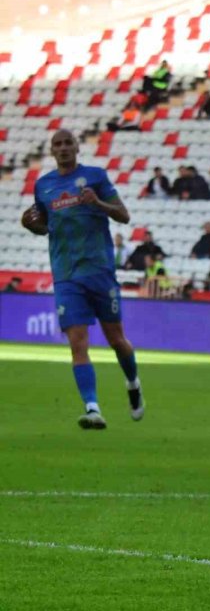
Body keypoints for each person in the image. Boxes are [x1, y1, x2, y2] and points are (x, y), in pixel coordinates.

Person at [20, 129, 145, 429]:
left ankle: (133, 383)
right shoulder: (44, 186)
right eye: (57, 144)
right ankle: (92, 408)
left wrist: (98, 204)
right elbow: (47, 228)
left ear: (77, 148)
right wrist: (32, 226)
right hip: (66, 275)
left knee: (117, 340)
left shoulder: (96, 177)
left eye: (68, 143)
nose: (63, 148)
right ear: (52, 151)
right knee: (78, 343)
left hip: (100, 270)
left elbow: (124, 216)